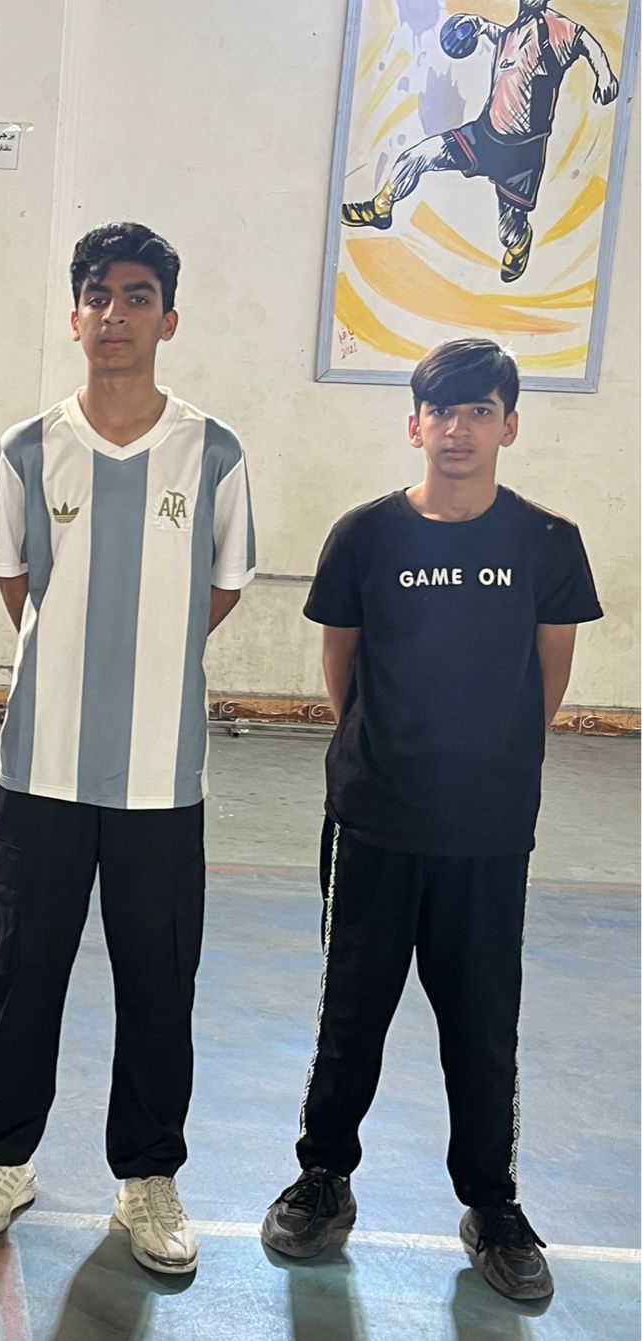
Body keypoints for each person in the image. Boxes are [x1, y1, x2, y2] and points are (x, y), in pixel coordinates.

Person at [0, 223, 255, 1275]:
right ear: (74, 316)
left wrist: (146, 659)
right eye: (97, 296)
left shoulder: (214, 452)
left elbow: (219, 588)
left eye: (136, 296)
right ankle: (0, 1159)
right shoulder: (28, 448)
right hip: (40, 770)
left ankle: (147, 1180)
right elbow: (16, 582)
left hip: (162, 779)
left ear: (169, 318)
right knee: (23, 970)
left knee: (158, 985)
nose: (115, 314)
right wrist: (77, 654)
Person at [260, 338, 601, 1302]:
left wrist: (489, 768)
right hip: (375, 819)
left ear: (509, 426)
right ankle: (323, 1177)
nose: (458, 429)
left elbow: (548, 677)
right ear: (415, 424)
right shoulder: (365, 536)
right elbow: (342, 669)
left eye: (479, 410)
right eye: (441, 411)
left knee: (484, 1023)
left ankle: (492, 1202)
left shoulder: (547, 541)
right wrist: (390, 758)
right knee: (351, 1013)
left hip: (488, 831)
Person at [341, 0, 619, 282]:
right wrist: (479, 25)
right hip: (483, 137)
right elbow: (503, 38)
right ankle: (380, 208)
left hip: (521, 158)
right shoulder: (512, 33)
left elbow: (586, 41)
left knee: (509, 232)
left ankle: (519, 242)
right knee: (416, 157)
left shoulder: (554, 29)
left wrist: (604, 74)